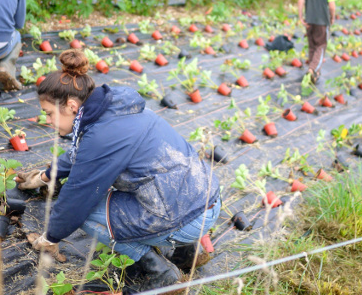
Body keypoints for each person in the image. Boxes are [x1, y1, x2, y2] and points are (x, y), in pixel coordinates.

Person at [16, 50, 221, 294]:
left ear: (71, 105)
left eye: (49, 113)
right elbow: (82, 152)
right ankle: (188, 253)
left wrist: (50, 237)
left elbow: (77, 197)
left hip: (187, 218)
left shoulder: (101, 135)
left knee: (87, 212)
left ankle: (161, 270)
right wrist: (45, 175)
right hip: (206, 199)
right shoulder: (115, 109)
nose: (48, 120)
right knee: (144, 189)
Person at [297, 0, 337, 83]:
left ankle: (314, 72)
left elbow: (301, 0)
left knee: (312, 46)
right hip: (322, 23)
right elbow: (331, 6)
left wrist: (300, 16)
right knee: (321, 46)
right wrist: (332, 17)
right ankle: (312, 69)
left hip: (310, 21)